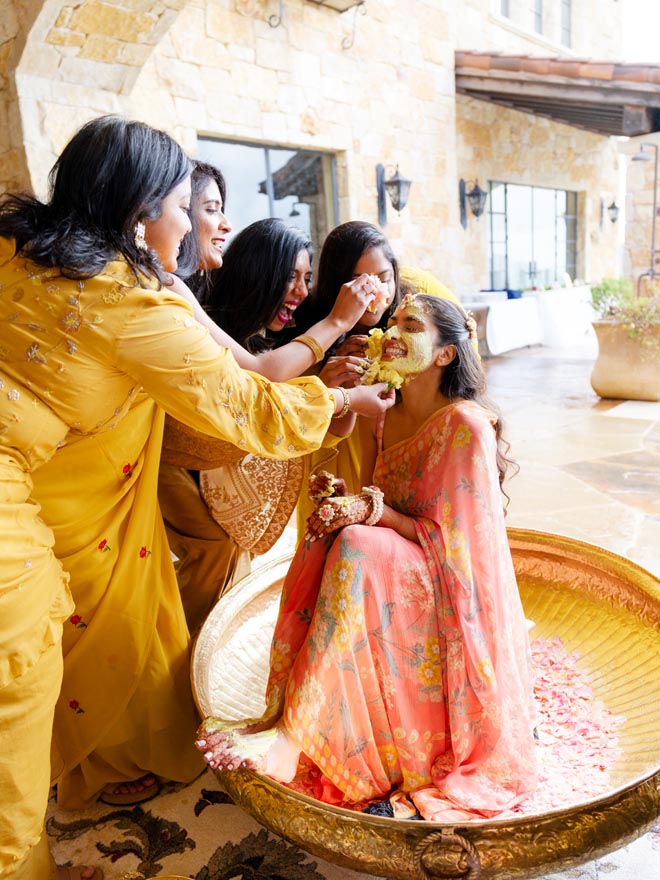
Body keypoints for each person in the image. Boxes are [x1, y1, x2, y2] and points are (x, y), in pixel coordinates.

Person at [0, 114, 395, 875]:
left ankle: (98, 767)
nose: (195, 222)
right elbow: (252, 403)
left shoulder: (23, 255)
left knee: (113, 634)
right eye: (190, 204)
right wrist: (343, 402)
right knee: (20, 689)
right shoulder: (132, 306)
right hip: (25, 504)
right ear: (141, 210)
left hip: (62, 482)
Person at [196, 293, 537, 822]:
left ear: (445, 354)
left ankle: (289, 740)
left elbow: (462, 552)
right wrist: (348, 503)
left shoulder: (465, 425)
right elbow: (389, 504)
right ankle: (299, 721)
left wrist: (369, 511)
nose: (392, 330)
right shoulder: (385, 416)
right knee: (327, 534)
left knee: (358, 541)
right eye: (394, 319)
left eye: (411, 323)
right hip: (400, 566)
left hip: (444, 584)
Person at [161, 209, 388, 634]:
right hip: (174, 461)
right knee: (215, 555)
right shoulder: (188, 302)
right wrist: (336, 332)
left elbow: (322, 426)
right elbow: (261, 379)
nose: (301, 291)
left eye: (307, 279)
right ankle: (189, 667)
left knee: (228, 561)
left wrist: (340, 388)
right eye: (291, 277)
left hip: (214, 473)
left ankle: (201, 662)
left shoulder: (284, 340)